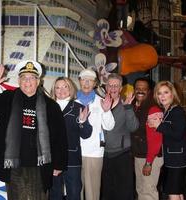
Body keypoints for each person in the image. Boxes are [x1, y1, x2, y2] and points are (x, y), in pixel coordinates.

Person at [0, 60, 68, 199]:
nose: (28, 81)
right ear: (19, 81)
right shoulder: (8, 98)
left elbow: (60, 137)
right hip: (14, 165)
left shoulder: (51, 106)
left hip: (40, 166)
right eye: (24, 78)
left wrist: (59, 164)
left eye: (32, 78)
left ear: (38, 81)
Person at [49, 77, 92, 200]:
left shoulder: (79, 107)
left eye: (65, 86)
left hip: (72, 158)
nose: (61, 90)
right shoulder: (48, 106)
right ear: (54, 90)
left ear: (70, 89)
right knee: (54, 193)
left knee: (74, 192)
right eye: (58, 87)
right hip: (53, 157)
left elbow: (86, 134)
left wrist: (82, 121)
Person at [148, 81, 186, 200]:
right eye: (159, 93)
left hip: (177, 159)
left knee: (173, 193)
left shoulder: (176, 111)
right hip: (174, 158)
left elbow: (178, 134)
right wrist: (156, 125)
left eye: (166, 92)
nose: (162, 96)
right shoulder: (168, 111)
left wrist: (159, 126)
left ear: (172, 94)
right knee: (178, 192)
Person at [76, 68, 115, 200]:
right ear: (79, 82)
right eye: (83, 80)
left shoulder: (101, 101)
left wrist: (106, 111)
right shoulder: (73, 101)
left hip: (94, 153)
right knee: (76, 190)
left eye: (90, 80)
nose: (86, 83)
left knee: (93, 191)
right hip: (76, 152)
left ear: (95, 83)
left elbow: (109, 126)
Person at [101, 73, 139, 200]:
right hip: (103, 154)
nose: (112, 88)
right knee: (107, 190)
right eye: (110, 85)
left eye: (116, 86)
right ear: (106, 87)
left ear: (121, 88)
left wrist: (128, 107)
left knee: (123, 191)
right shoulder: (99, 103)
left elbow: (134, 127)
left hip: (121, 153)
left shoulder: (126, 105)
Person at [131, 77, 164, 200]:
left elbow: (156, 139)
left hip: (151, 157)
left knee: (148, 191)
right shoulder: (134, 106)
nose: (140, 91)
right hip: (140, 155)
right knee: (141, 189)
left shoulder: (153, 109)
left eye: (144, 89)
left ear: (149, 91)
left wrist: (149, 162)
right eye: (138, 88)